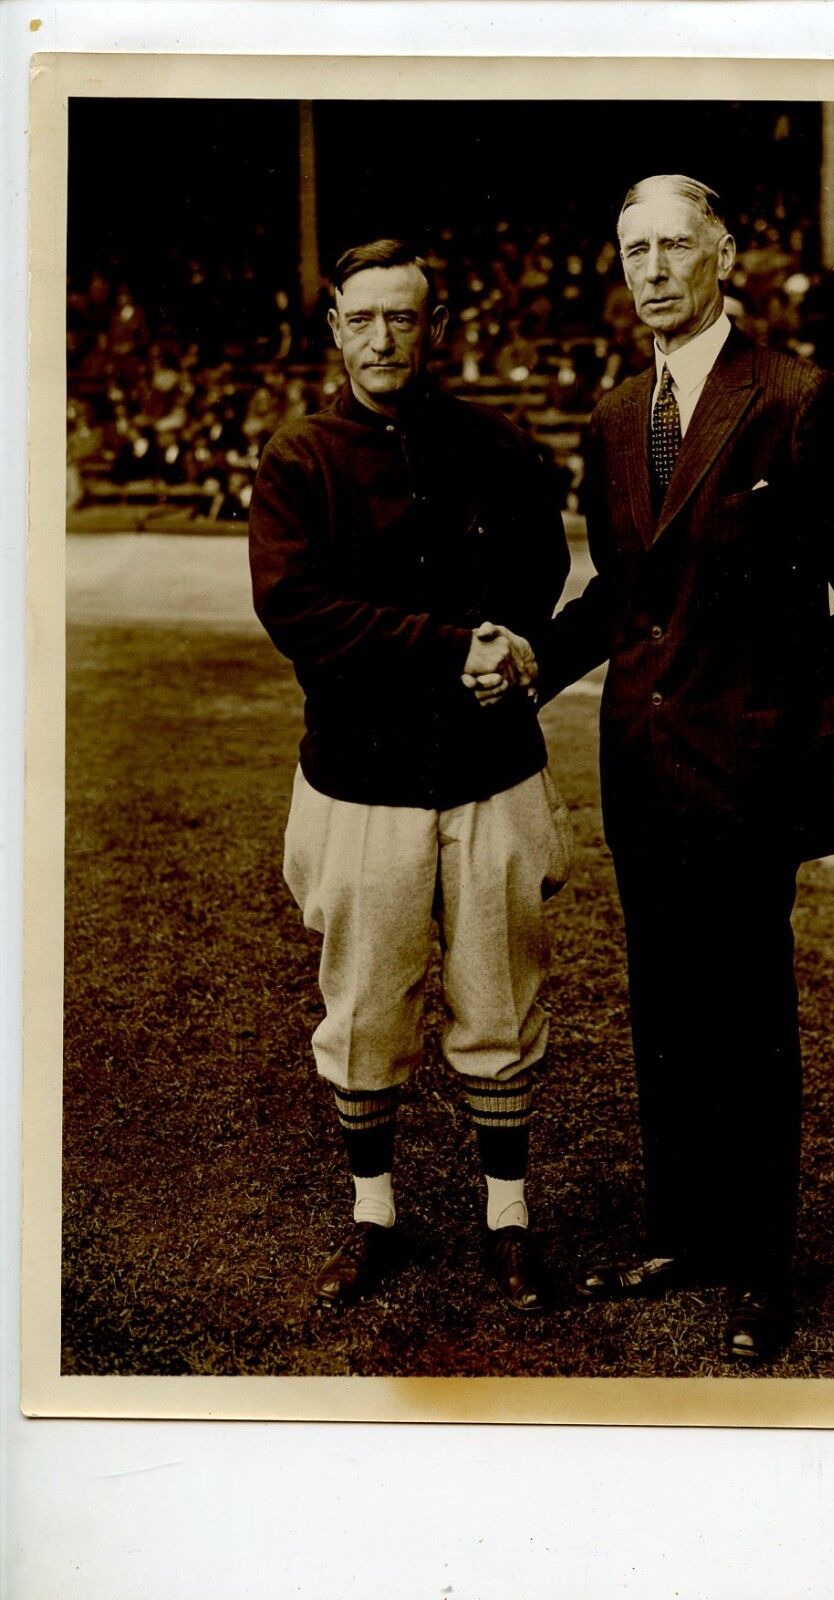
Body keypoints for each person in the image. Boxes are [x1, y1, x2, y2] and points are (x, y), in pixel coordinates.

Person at [467, 175, 834, 1362]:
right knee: (666, 1014)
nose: (655, 270)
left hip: (746, 771)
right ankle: (685, 1233)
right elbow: (625, 594)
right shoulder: (619, 414)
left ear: (725, 252)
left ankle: (760, 1267)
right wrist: (536, 656)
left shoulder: (793, 400)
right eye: (635, 251)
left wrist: (791, 709)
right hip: (642, 766)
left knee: (746, 1017)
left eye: (677, 246)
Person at [248, 239, 572, 1317]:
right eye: (364, 319)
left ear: (431, 326)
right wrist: (449, 649)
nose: (385, 339)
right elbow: (298, 610)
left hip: (488, 772)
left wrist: (511, 641)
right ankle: (373, 1211)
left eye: (405, 318)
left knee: (499, 996)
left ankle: (510, 1222)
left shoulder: (494, 444)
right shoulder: (299, 457)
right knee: (365, 1005)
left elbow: (540, 566)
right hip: (360, 779)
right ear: (334, 328)